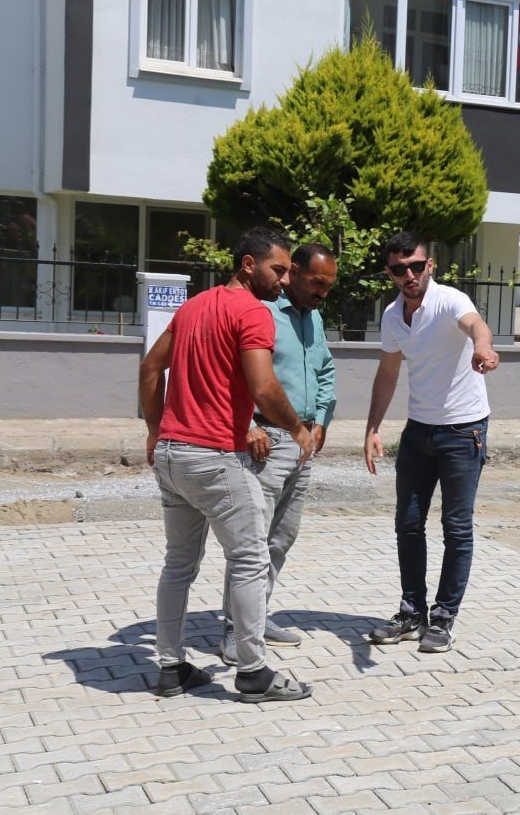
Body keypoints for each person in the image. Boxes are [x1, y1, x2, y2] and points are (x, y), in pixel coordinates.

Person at [139, 226, 314, 703]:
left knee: (178, 565)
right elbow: (264, 388)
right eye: (278, 269)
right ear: (248, 264)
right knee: (251, 560)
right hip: (215, 457)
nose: (285, 280)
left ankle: (171, 667)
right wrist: (297, 428)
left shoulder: (194, 306)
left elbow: (151, 367)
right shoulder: (253, 312)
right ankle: (253, 671)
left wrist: (155, 430)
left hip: (172, 455)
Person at [363, 231, 500, 653]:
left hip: (463, 431)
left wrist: (483, 348)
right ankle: (411, 613)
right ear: (389, 273)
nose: (409, 275)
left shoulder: (450, 300)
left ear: (430, 266)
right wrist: (372, 427)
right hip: (418, 431)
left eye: (416, 266)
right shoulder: (392, 316)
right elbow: (388, 373)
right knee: (407, 524)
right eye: (399, 269)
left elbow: (476, 326)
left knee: (456, 527)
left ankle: (443, 618)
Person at [218, 243, 337, 666]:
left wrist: (321, 419)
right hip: (265, 439)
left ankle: (256, 616)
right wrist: (244, 426)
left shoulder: (314, 317)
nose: (323, 292)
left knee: (281, 537)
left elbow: (325, 371)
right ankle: (234, 630)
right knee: (252, 540)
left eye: (329, 285)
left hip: (302, 440)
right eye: (317, 282)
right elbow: (230, 374)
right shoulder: (262, 311)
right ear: (294, 272)